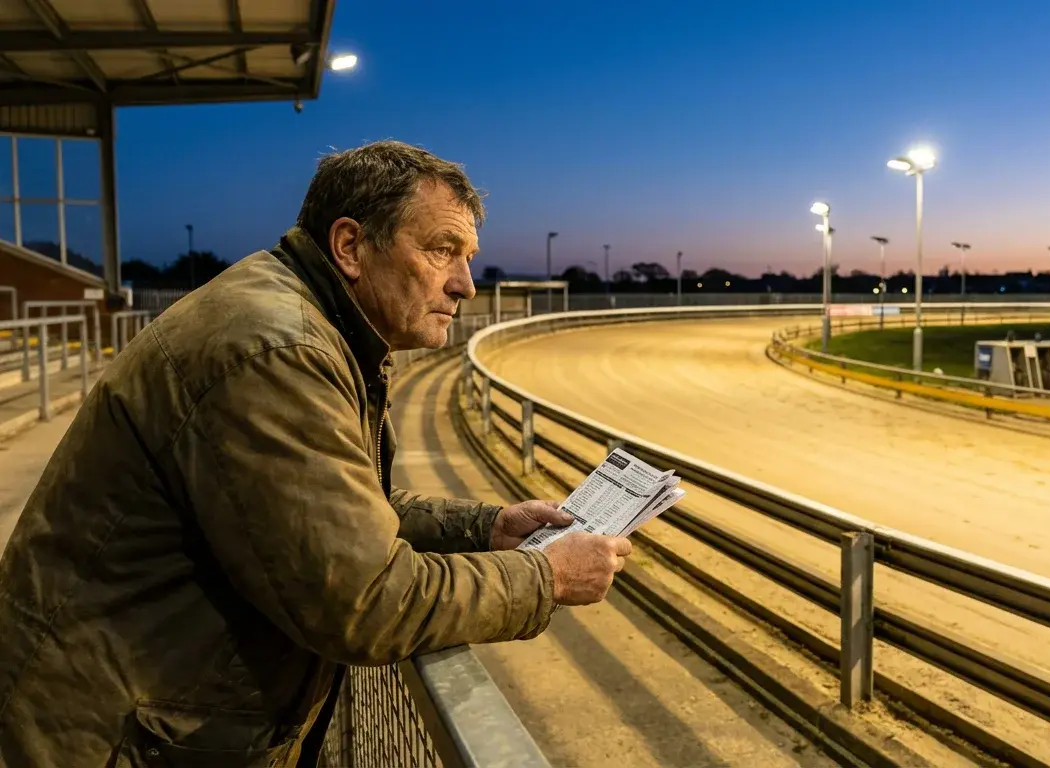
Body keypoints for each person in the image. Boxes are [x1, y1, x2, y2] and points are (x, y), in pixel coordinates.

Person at [0, 140, 632, 767]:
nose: (466, 284)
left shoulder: (303, 322)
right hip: (98, 736)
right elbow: (364, 602)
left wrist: (486, 526)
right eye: (442, 250)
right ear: (350, 246)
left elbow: (333, 512)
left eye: (468, 257)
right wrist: (545, 576)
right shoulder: (276, 349)